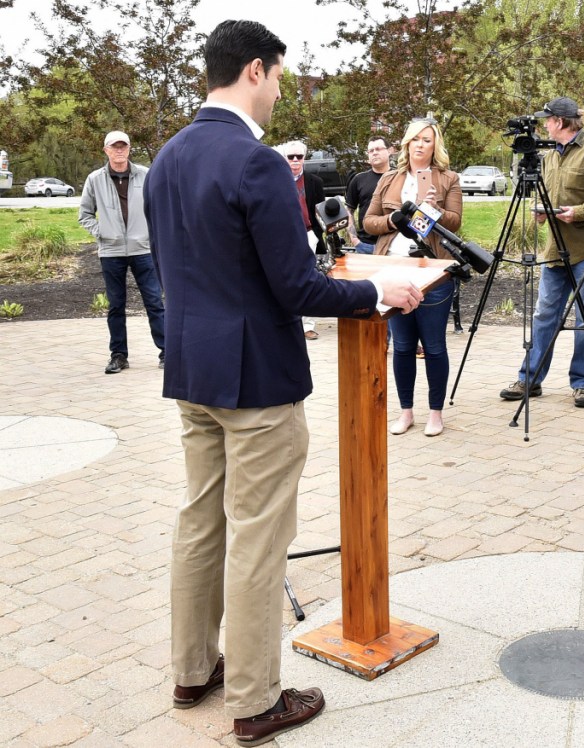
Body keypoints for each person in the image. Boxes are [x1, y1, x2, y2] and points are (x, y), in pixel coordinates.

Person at [143, 20, 422, 746]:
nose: (276, 95)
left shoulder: (167, 158)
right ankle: (256, 700)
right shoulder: (255, 161)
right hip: (257, 381)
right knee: (259, 540)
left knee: (199, 523)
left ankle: (191, 669)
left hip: (191, 368)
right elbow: (298, 287)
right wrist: (377, 294)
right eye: (277, 79)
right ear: (257, 71)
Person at [498, 97, 584, 409]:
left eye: (548, 119)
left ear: (561, 121)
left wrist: (578, 213)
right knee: (544, 314)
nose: (544, 124)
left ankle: (583, 384)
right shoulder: (548, 157)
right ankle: (530, 379)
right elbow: (548, 195)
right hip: (554, 249)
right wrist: (543, 211)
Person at [363, 118, 463, 437]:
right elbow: (368, 222)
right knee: (403, 345)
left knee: (433, 346)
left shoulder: (448, 179)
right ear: (406, 143)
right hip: (393, 271)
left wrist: (433, 210)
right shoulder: (390, 179)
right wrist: (393, 219)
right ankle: (406, 411)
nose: (420, 144)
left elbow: (456, 222)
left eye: (427, 140)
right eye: (415, 139)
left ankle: (435, 413)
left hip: (431, 272)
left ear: (436, 146)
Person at [78, 130, 165, 374]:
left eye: (123, 146)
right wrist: (102, 232)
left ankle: (167, 351)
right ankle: (118, 355)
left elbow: (159, 207)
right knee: (116, 305)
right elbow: (84, 214)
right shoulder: (95, 179)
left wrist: (153, 234)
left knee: (154, 302)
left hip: (143, 249)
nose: (119, 150)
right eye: (114, 146)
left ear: (129, 149)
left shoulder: (146, 175)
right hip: (111, 251)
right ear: (106, 150)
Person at [277, 140, 325, 340]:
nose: (295, 160)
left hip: (308, 234)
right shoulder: (276, 180)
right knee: (285, 277)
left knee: (310, 277)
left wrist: (320, 235)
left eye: (299, 156)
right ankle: (287, 322)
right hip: (284, 235)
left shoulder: (315, 182)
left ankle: (308, 325)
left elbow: (321, 212)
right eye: (291, 157)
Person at [346, 136, 391, 254]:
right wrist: (355, 240)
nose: (374, 153)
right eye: (371, 151)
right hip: (365, 245)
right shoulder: (358, 179)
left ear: (390, 151)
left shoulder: (399, 177)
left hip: (393, 245)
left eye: (378, 149)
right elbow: (349, 210)